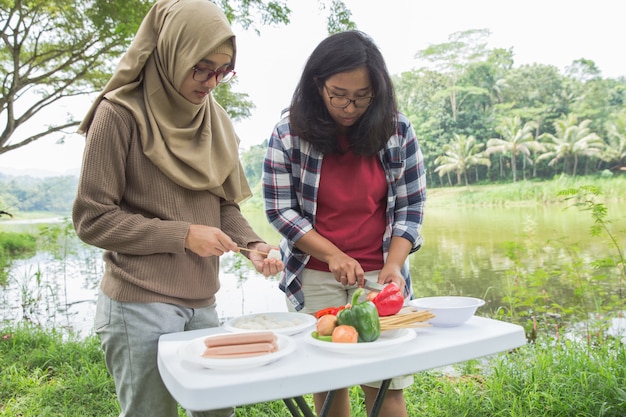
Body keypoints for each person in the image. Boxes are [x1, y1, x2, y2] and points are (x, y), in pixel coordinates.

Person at [72, 1, 283, 416]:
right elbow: (92, 219)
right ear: (172, 52)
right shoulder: (118, 114)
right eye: (201, 68)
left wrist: (252, 243)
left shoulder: (215, 121)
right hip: (139, 306)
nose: (211, 82)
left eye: (223, 71)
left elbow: (220, 206)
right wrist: (182, 234)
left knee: (217, 409)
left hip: (202, 302)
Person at [262, 30, 426, 417]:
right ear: (318, 84)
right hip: (315, 275)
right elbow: (280, 210)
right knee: (330, 383)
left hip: (378, 277)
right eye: (338, 94)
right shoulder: (288, 134)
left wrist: (393, 266)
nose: (349, 106)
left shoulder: (397, 130)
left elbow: (411, 205)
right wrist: (333, 255)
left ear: (377, 91)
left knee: (385, 382)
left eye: (361, 96)